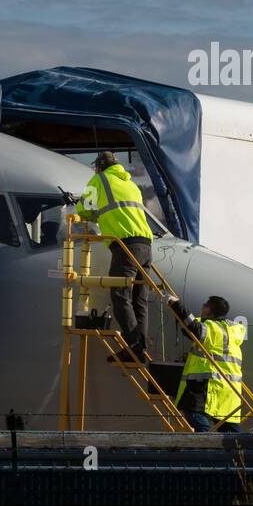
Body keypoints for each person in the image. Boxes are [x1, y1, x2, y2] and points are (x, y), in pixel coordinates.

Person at [74, 151, 155, 362]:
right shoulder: (130, 184)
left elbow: (84, 208)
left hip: (125, 244)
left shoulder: (100, 179)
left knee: (120, 294)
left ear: (99, 167)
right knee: (139, 299)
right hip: (146, 244)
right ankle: (141, 347)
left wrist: (81, 209)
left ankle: (134, 346)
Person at [168, 295, 246, 433]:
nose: (202, 307)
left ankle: (208, 443)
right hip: (230, 390)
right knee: (229, 428)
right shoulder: (232, 330)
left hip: (208, 385)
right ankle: (240, 452)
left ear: (210, 311)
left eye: (205, 305)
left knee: (194, 413)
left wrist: (176, 304)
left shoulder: (213, 328)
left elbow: (194, 328)